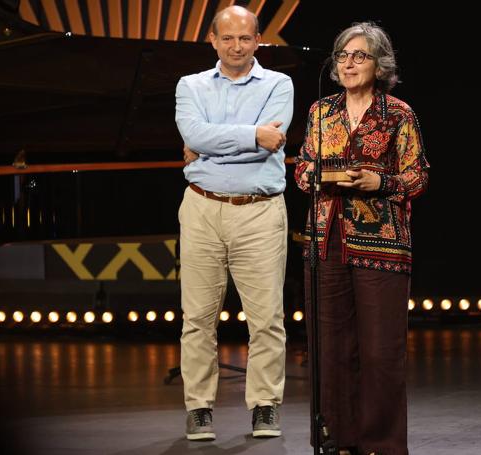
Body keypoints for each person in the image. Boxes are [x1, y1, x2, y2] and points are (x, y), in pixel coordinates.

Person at [294, 22, 429, 455]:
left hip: (381, 242)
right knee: (330, 350)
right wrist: (317, 175)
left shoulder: (397, 114)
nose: (349, 63)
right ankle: (337, 440)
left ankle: (382, 445)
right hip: (325, 240)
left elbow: (418, 174)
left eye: (360, 56)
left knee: (379, 354)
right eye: (343, 56)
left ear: (379, 64)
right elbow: (301, 170)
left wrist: (380, 181)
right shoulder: (322, 112)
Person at [175, 5, 293, 441]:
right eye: (228, 38)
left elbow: (270, 144)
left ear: (258, 39)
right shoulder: (190, 86)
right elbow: (194, 134)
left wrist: (212, 143)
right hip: (203, 208)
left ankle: (265, 405)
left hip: (259, 210)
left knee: (266, 318)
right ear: (213, 40)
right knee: (197, 317)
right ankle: (199, 408)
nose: (237, 46)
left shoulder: (280, 84)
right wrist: (249, 135)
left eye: (245, 38)